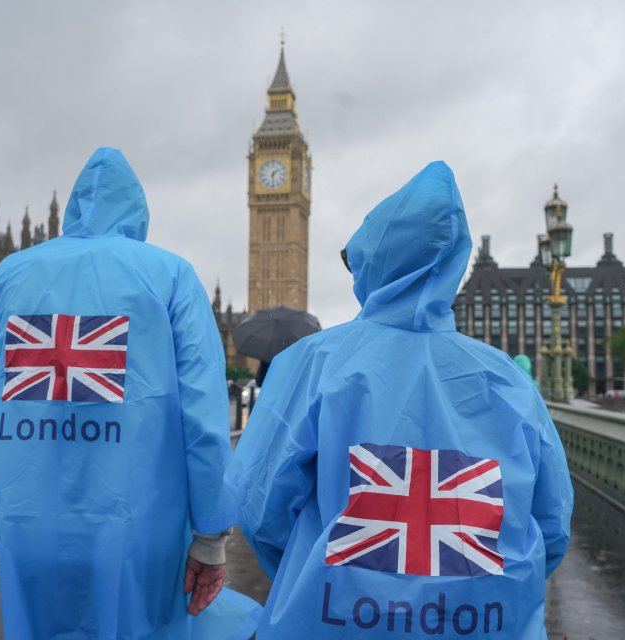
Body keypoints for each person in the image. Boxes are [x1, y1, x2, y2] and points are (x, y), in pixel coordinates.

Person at [228, 161, 573, 639]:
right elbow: (552, 527)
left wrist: (330, 577)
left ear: (372, 257)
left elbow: (257, 509)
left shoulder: (313, 362)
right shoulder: (509, 381)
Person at [0, 147, 258, 639]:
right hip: (139, 530)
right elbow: (204, 420)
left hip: (26, 526)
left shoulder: (10, 274)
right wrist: (212, 535)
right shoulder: (170, 274)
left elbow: (6, 381)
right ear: (138, 210)